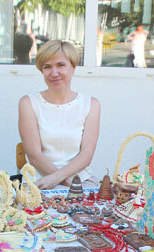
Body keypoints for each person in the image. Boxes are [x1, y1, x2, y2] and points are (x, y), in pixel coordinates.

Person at [18, 40, 101, 190]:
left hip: (81, 180)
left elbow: (86, 155)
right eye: (47, 67)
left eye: (60, 65)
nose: (54, 73)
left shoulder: (91, 104)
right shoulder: (28, 103)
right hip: (40, 181)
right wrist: (67, 185)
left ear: (73, 68)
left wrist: (58, 179)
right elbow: (34, 156)